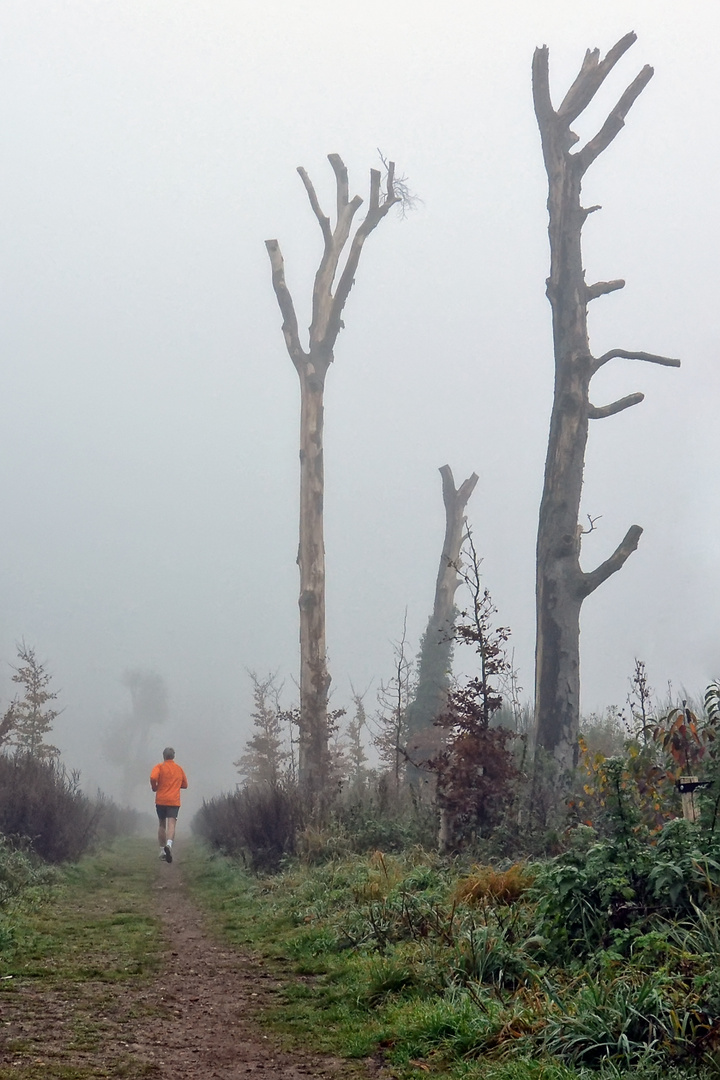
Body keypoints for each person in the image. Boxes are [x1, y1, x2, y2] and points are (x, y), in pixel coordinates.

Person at [150, 747, 188, 864]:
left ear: (164, 756)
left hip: (161, 800)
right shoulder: (179, 769)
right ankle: (169, 845)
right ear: (173, 756)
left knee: (162, 824)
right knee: (172, 823)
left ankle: (162, 850)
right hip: (174, 801)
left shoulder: (159, 767)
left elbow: (153, 777)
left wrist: (155, 787)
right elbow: (185, 784)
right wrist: (175, 785)